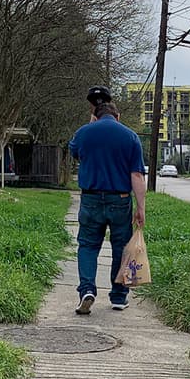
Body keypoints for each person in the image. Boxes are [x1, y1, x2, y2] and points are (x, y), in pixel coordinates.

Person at [67, 85, 147, 315]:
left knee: (88, 245)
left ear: (95, 115)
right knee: (121, 248)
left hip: (91, 199)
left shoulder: (84, 132)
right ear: (117, 116)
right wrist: (140, 207)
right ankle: (119, 297)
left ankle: (87, 290)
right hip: (120, 200)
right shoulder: (130, 136)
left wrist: (91, 127)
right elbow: (137, 175)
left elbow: (75, 152)